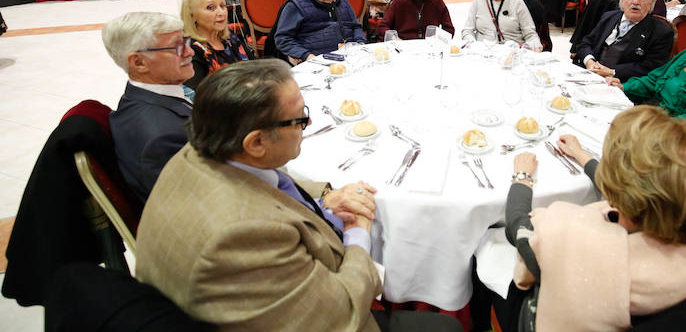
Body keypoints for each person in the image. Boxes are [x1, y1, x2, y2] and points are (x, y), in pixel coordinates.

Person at [135, 60, 460, 332]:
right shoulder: (241, 236)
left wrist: (323, 203)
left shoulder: (201, 152)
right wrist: (358, 231)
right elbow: (343, 314)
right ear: (256, 143)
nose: (310, 122)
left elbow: (270, 190)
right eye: (299, 118)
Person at [502, 106, 686, 332]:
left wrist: (522, 177)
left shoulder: (567, 233)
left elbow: (517, 228)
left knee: (491, 247)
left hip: (539, 320)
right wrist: (582, 156)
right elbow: (653, 190)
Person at [102, 12, 194, 205]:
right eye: (177, 46)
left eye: (186, 41)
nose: (189, 52)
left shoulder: (140, 98)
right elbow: (195, 206)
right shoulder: (161, 138)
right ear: (139, 62)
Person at [610, 7, 686, 118]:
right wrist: (623, 87)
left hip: (680, 132)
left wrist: (664, 125)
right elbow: (653, 80)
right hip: (651, 114)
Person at [574, 0, 673, 81]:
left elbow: (651, 67)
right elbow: (586, 42)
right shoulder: (609, 17)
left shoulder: (661, 31)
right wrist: (589, 61)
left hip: (623, 84)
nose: (635, 2)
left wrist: (612, 72)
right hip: (589, 75)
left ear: (651, 3)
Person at [274, 0, 366, 63]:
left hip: (350, 57)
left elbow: (355, 26)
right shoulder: (296, 5)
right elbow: (283, 38)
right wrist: (306, 55)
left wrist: (360, 44)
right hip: (318, 62)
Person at [181, 0, 251, 90]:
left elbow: (254, 66)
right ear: (192, 15)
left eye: (222, 6)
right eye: (210, 7)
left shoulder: (229, 37)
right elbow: (199, 99)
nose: (221, 12)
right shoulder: (193, 52)